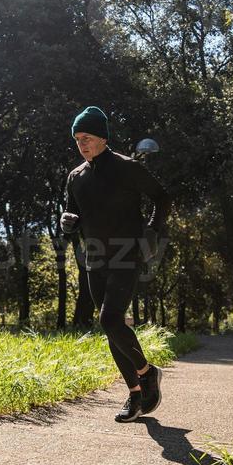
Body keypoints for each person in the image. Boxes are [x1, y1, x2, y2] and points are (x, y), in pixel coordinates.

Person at [61, 105, 170, 423]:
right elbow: (72, 215)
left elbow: (162, 197)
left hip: (126, 254)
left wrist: (151, 230)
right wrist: (67, 222)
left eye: (88, 137)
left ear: (103, 137)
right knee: (113, 330)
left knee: (110, 320)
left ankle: (148, 374)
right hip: (94, 258)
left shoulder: (127, 167)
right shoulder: (75, 177)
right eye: (78, 138)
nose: (82, 144)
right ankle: (136, 394)